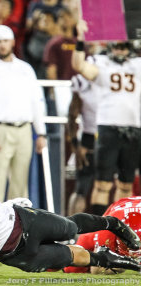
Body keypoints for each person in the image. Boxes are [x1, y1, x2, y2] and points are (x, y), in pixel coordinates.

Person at [0, 143, 141, 272]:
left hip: (22, 221)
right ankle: (106, 258)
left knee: (70, 228)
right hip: (8, 253)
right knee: (71, 256)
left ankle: (112, 223)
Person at [0, 25, 47, 202]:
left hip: (24, 129)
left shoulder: (25, 69)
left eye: (5, 41)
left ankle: (19, 225)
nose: (2, 45)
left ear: (12, 42)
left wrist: (41, 132)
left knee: (20, 183)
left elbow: (36, 102)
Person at [72, 19, 141, 215]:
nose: (120, 50)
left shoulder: (137, 65)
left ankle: (121, 227)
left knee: (126, 185)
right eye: (117, 46)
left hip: (134, 129)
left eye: (123, 46)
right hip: (108, 128)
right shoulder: (101, 64)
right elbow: (79, 65)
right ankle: (99, 229)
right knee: (102, 184)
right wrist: (80, 40)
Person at [64, 196, 141, 274]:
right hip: (118, 211)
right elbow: (96, 269)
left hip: (130, 206)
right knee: (72, 268)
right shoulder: (107, 232)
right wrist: (121, 265)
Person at [67, 74, 98, 215]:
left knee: (119, 185)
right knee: (81, 189)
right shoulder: (82, 81)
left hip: (115, 135)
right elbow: (72, 114)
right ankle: (71, 232)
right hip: (89, 136)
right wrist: (75, 145)